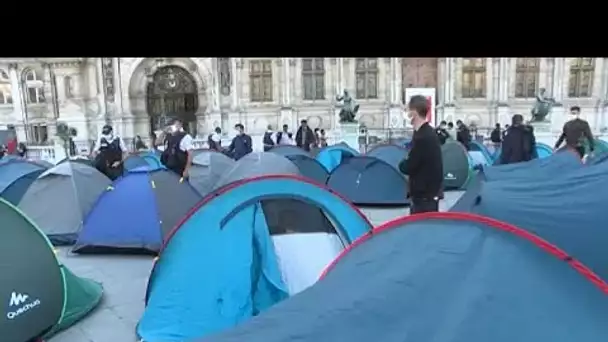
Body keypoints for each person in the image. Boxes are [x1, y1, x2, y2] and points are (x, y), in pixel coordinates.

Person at [399, 95, 443, 214]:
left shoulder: (423, 137)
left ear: (414, 113)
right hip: (426, 195)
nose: (407, 114)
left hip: (424, 197)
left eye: (408, 111)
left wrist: (403, 163)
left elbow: (409, 165)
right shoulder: (425, 132)